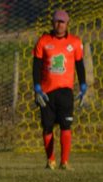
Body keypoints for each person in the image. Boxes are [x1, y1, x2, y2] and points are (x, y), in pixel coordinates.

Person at [33, 9, 87, 170]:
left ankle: (64, 161)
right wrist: (36, 87)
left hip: (65, 91)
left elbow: (80, 65)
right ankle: (51, 160)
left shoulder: (75, 42)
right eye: (57, 21)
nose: (59, 25)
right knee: (47, 126)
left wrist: (83, 85)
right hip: (46, 92)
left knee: (66, 125)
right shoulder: (43, 41)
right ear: (52, 23)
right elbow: (36, 66)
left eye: (62, 22)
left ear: (67, 24)